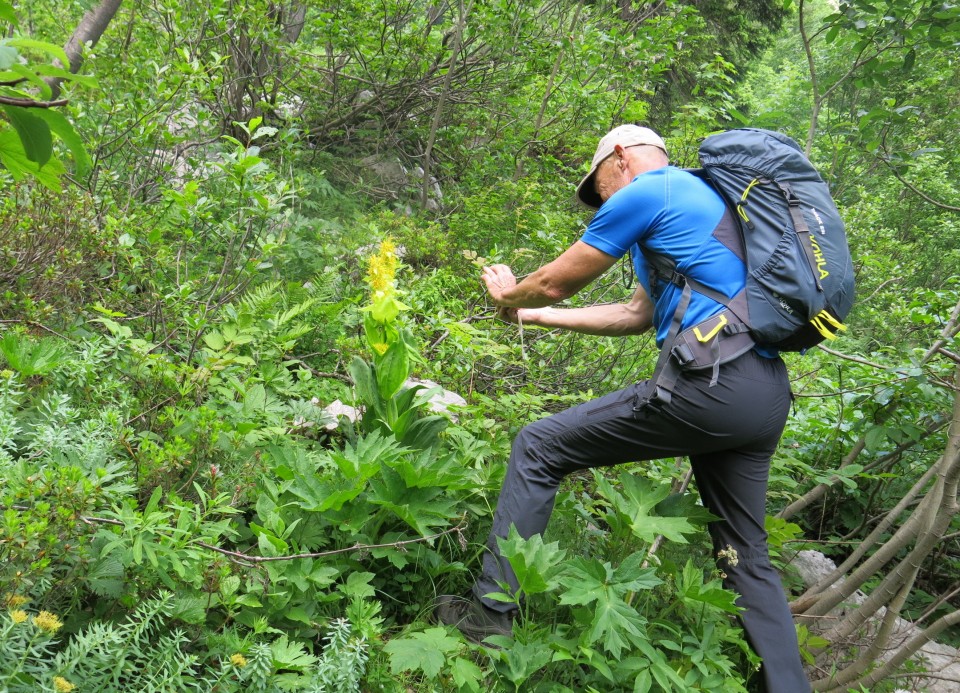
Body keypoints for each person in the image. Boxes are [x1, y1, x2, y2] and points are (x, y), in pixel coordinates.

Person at [434, 125, 810, 692]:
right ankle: (785, 687)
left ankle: (489, 618)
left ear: (619, 159)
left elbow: (557, 282)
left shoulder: (653, 189)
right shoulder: (708, 204)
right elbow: (634, 315)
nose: (603, 199)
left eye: (599, 187)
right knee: (743, 549)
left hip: (710, 386)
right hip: (763, 394)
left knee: (537, 446)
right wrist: (529, 318)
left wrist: (510, 294)